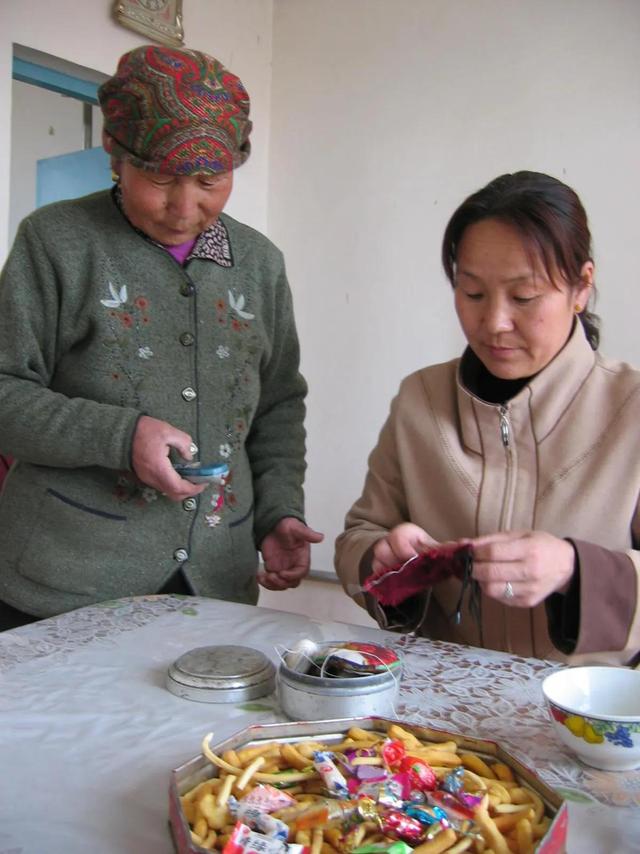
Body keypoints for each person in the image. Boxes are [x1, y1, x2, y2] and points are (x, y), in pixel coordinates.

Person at [0, 45, 322, 631]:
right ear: (115, 155)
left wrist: (279, 512)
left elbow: (277, 404)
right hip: (65, 582)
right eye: (161, 176)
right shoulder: (57, 242)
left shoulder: (258, 263)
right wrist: (123, 437)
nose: (185, 205)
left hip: (216, 580)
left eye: (209, 179)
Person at [335, 171, 640, 665]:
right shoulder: (422, 399)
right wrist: (381, 557)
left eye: (524, 297)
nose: (495, 322)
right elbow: (359, 538)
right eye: (472, 293)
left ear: (581, 287)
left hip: (584, 716)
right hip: (436, 712)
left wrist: (573, 569)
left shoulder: (631, 408)